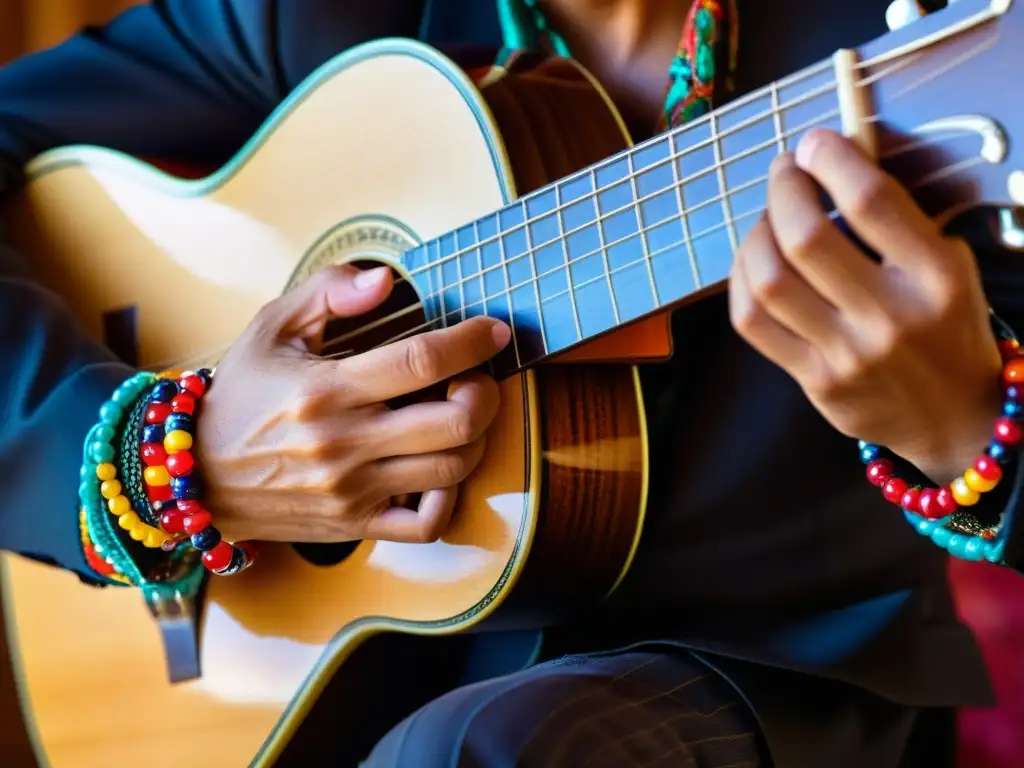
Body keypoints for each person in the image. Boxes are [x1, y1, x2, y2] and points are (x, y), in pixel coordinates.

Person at [1, 0, 1021, 765]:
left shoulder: (926, 41)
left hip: (770, 680)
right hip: (323, 683)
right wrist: (180, 458)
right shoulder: (315, 15)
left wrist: (969, 425)